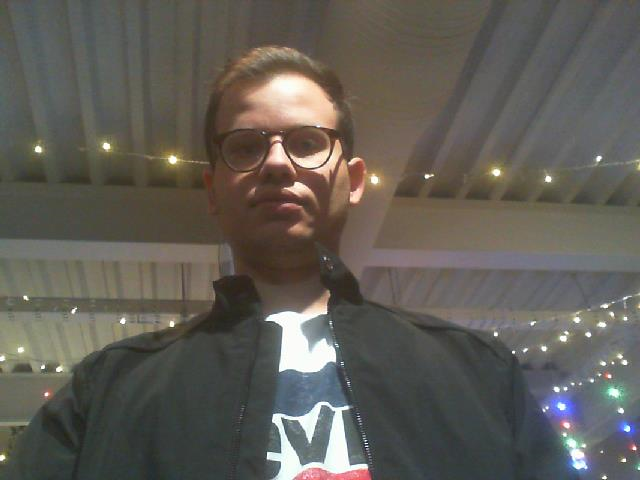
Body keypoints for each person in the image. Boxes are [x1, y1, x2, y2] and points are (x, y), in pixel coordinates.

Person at [5, 46, 578, 480]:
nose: (277, 164)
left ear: (354, 180)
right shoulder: (108, 388)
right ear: (213, 189)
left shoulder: (474, 370)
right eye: (246, 147)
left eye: (307, 142)